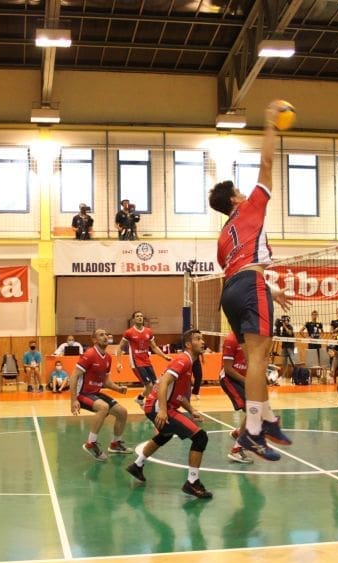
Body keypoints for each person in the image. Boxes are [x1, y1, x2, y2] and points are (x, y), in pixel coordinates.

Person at [210, 99, 294, 462]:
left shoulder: (223, 235)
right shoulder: (250, 207)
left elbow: (237, 267)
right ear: (234, 198)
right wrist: (271, 124)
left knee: (254, 356)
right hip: (248, 285)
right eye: (240, 191)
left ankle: (268, 420)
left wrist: (269, 289)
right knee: (260, 358)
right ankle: (253, 431)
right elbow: (267, 164)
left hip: (231, 290)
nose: (246, 192)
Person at [125, 329, 214, 499]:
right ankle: (192, 482)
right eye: (198, 339)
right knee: (200, 437)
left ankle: (137, 465)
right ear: (188, 344)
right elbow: (164, 382)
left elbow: (179, 395)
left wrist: (192, 410)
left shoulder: (188, 363)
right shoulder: (183, 360)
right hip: (158, 406)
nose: (203, 342)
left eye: (202, 339)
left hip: (158, 406)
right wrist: (163, 410)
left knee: (165, 434)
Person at [70, 328, 132, 460]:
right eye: (101, 335)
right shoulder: (89, 354)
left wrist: (119, 389)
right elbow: (74, 376)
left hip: (95, 393)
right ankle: (90, 443)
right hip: (82, 394)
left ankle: (115, 444)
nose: (105, 337)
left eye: (106, 335)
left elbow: (106, 382)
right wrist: (73, 400)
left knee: (122, 412)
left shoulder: (108, 357)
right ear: (94, 339)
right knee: (103, 407)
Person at [118, 310, 171, 404]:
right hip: (136, 362)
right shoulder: (129, 332)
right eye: (137, 316)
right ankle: (150, 404)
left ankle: (140, 398)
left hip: (146, 361)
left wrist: (164, 356)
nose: (140, 317)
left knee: (154, 385)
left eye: (141, 316)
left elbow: (154, 347)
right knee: (149, 385)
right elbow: (120, 347)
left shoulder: (148, 331)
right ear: (133, 319)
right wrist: (119, 362)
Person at [218, 330, 253, 464]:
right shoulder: (231, 340)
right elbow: (228, 369)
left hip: (243, 378)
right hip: (229, 378)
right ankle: (236, 450)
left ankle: (238, 433)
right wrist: (247, 381)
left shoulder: (251, 338)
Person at [302, 309, 327, 383]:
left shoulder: (319, 324)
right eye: (313, 314)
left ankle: (320, 376)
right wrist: (306, 338)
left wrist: (320, 337)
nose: (314, 316)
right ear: (311, 315)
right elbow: (301, 331)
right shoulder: (308, 323)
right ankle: (309, 377)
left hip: (318, 343)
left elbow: (323, 333)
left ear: (317, 315)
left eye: (316, 314)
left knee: (319, 359)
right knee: (311, 360)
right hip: (311, 343)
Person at [274, 314, 297, 380]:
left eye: (286, 320)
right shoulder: (281, 327)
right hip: (284, 346)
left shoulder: (290, 326)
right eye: (283, 320)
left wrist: (284, 326)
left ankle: (294, 376)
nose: (284, 321)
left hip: (290, 346)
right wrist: (277, 328)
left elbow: (290, 333)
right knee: (284, 362)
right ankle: (283, 376)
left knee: (292, 362)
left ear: (288, 320)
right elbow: (278, 335)